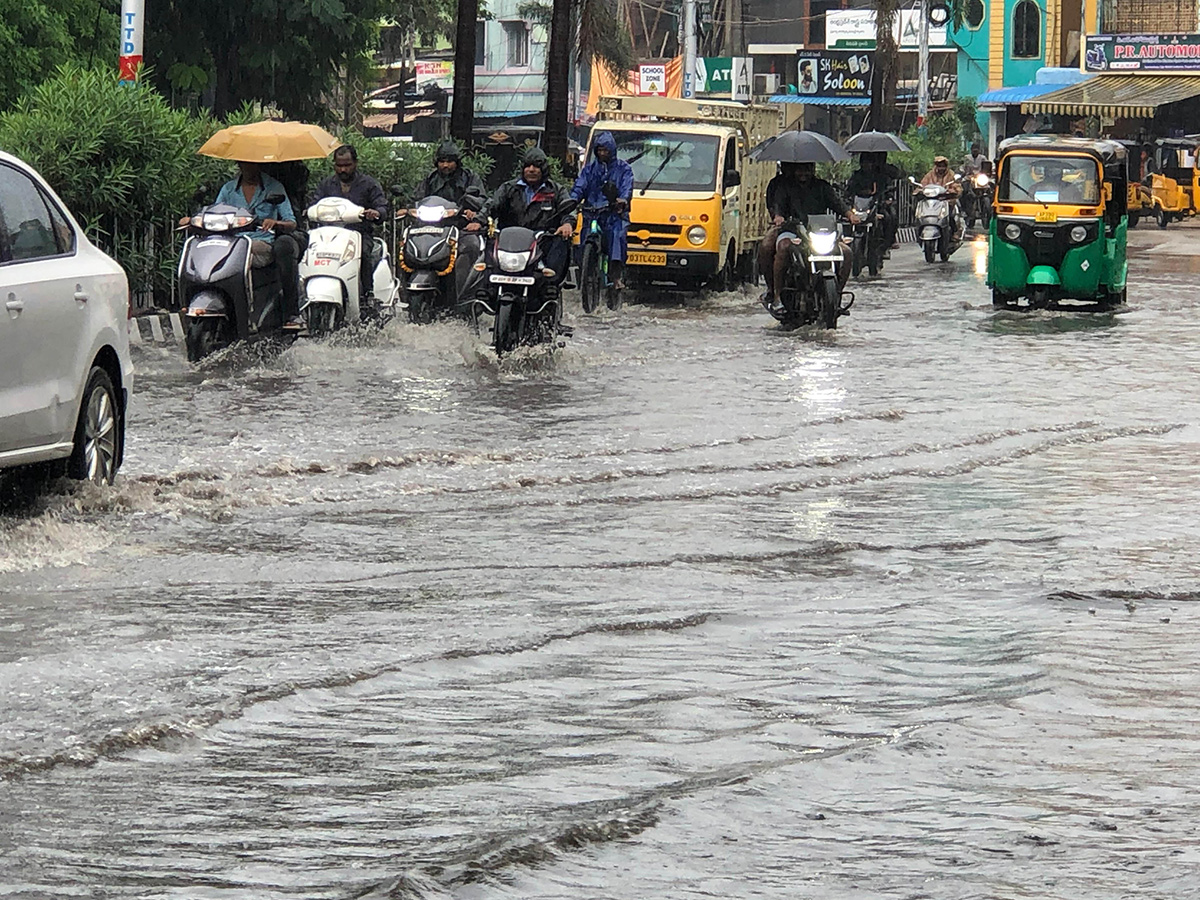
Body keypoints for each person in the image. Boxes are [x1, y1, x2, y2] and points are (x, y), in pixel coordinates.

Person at [183, 160, 302, 329]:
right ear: (240, 165)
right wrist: (194, 220)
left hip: (261, 243)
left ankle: (256, 308)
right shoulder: (228, 189)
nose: (251, 168)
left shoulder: (274, 188)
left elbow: (291, 222)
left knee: (246, 251)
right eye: (246, 164)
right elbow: (216, 212)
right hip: (230, 242)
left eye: (254, 164)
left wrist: (275, 223)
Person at [757, 161, 852, 309]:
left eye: (807, 169)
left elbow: (837, 203)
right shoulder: (783, 187)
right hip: (792, 230)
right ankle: (777, 295)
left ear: (813, 169)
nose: (803, 173)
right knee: (782, 247)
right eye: (800, 170)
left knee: (846, 252)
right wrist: (778, 217)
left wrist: (850, 214)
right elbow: (777, 206)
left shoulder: (822, 186)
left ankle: (837, 294)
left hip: (819, 232)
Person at [479, 146, 576, 287]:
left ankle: (551, 285)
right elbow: (491, 205)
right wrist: (478, 220)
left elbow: (567, 210)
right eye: (528, 166)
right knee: (485, 244)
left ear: (543, 169)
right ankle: (485, 291)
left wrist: (567, 224)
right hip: (508, 242)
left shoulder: (555, 190)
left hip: (542, 242)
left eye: (536, 166)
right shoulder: (508, 188)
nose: (531, 170)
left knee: (561, 241)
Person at [309, 144, 389, 303]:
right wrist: (309, 211)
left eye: (347, 165)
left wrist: (376, 213)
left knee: (364, 254)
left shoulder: (369, 184)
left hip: (358, 234)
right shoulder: (326, 185)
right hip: (327, 235)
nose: (343, 170)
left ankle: (367, 295)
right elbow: (314, 203)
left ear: (355, 163)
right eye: (339, 166)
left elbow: (382, 206)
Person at [570, 131, 634, 289]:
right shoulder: (589, 170)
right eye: (599, 150)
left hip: (613, 214)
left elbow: (627, 187)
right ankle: (585, 271)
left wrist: (622, 201)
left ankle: (616, 274)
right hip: (591, 212)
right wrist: (573, 200)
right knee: (582, 240)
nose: (602, 153)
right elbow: (580, 186)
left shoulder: (623, 169)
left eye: (605, 150)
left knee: (617, 236)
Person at [846, 151, 900, 251]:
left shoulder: (881, 175)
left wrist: (886, 198)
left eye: (869, 162)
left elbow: (890, 184)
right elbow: (849, 190)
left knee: (889, 217)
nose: (866, 165)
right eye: (864, 162)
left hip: (877, 204)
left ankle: (887, 242)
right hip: (859, 205)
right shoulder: (857, 175)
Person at [414, 140, 487, 213]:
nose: (445, 165)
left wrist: (469, 205)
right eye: (442, 162)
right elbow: (417, 198)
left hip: (461, 217)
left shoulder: (470, 176)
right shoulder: (431, 178)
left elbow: (482, 200)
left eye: (449, 162)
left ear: (457, 162)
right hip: (434, 218)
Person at [918, 155, 963, 237]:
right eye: (939, 166)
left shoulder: (951, 174)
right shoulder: (930, 174)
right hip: (931, 202)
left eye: (943, 166)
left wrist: (952, 191)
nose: (941, 168)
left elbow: (957, 187)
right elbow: (922, 185)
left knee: (950, 214)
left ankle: (954, 232)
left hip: (946, 201)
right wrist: (919, 191)